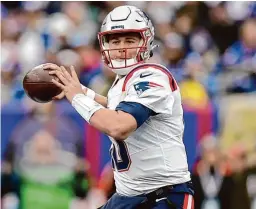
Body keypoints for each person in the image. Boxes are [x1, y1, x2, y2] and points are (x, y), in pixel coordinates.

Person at [44, 5, 194, 209]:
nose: (121, 47)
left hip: (163, 196)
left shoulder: (153, 76)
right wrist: (82, 91)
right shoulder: (123, 80)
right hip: (129, 196)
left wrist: (77, 97)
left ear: (146, 41)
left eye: (129, 40)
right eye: (115, 40)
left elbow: (119, 125)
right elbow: (114, 106)